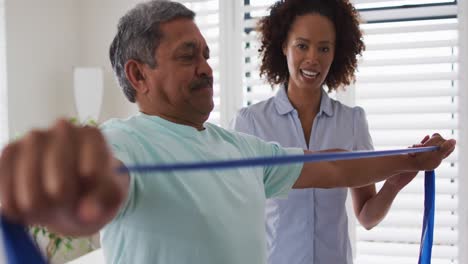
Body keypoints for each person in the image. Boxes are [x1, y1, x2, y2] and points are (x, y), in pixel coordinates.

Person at [0, 1, 455, 264]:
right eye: (187, 56)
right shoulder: (123, 142)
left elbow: (334, 166)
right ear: (139, 76)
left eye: (205, 53)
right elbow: (100, 185)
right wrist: (69, 188)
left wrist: (411, 161)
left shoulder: (235, 145)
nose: (206, 68)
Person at [231, 0, 428, 263]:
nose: (313, 58)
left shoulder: (352, 121)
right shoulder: (251, 122)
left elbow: (367, 216)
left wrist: (393, 184)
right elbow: (235, 213)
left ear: (336, 54)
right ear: (283, 47)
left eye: (324, 48)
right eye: (302, 45)